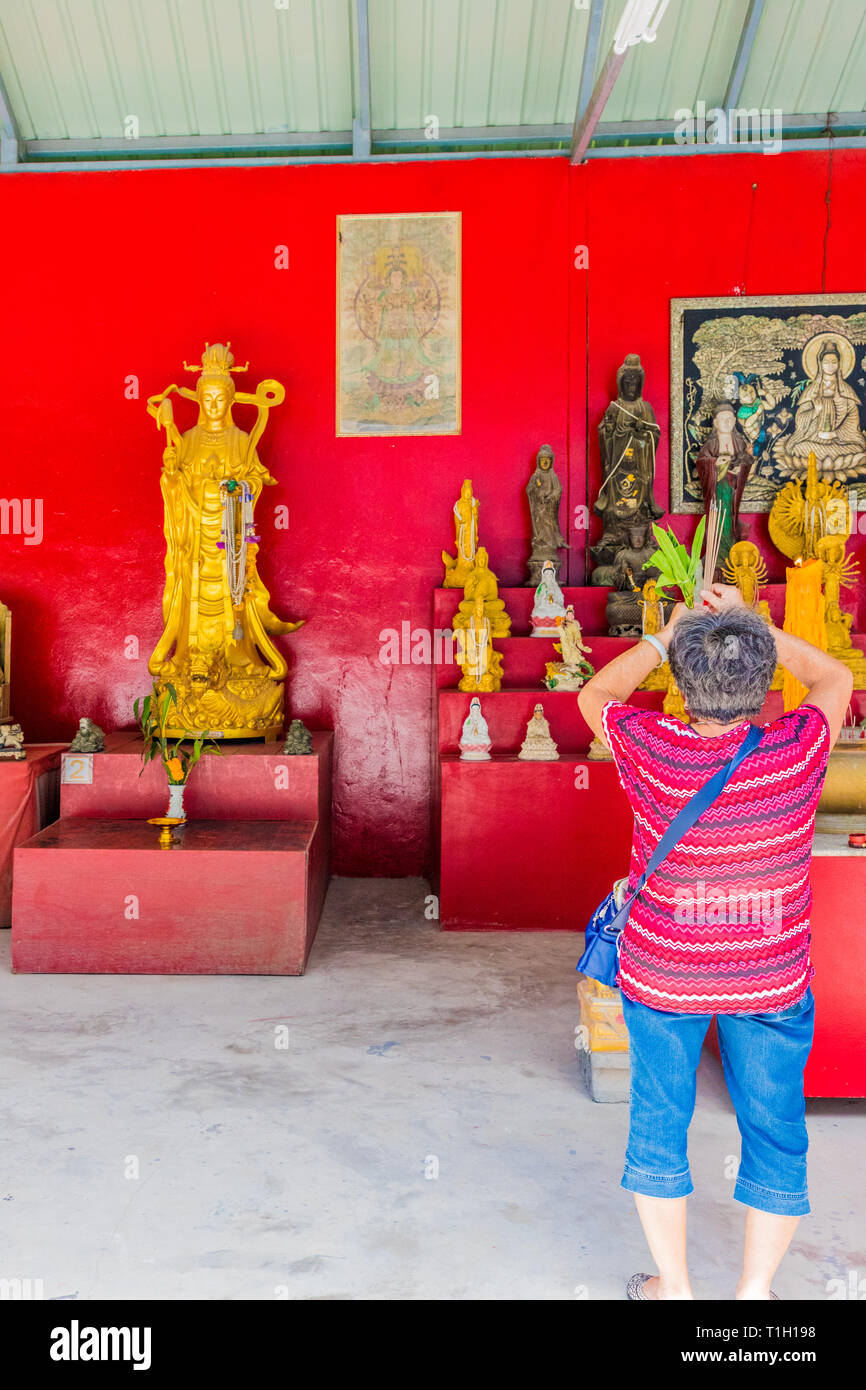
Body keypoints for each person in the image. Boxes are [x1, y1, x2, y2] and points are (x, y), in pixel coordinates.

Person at [577, 583, 853, 1301]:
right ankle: (754, 1292)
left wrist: (668, 636)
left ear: (681, 681)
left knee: (660, 1121)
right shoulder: (799, 748)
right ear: (764, 682)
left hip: (665, 975)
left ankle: (675, 1289)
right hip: (769, 978)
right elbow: (836, 677)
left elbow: (593, 696)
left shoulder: (652, 745)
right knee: (775, 1129)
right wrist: (754, 623)